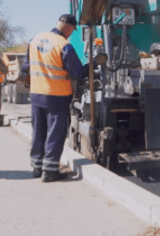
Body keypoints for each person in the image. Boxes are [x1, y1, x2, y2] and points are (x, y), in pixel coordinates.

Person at [22, 14, 107, 182]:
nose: (71, 34)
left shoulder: (35, 40)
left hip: (37, 95)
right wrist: (96, 62)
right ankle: (50, 171)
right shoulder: (64, 46)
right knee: (55, 133)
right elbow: (78, 73)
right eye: (72, 31)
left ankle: (37, 167)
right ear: (68, 28)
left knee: (38, 131)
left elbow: (25, 68)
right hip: (56, 96)